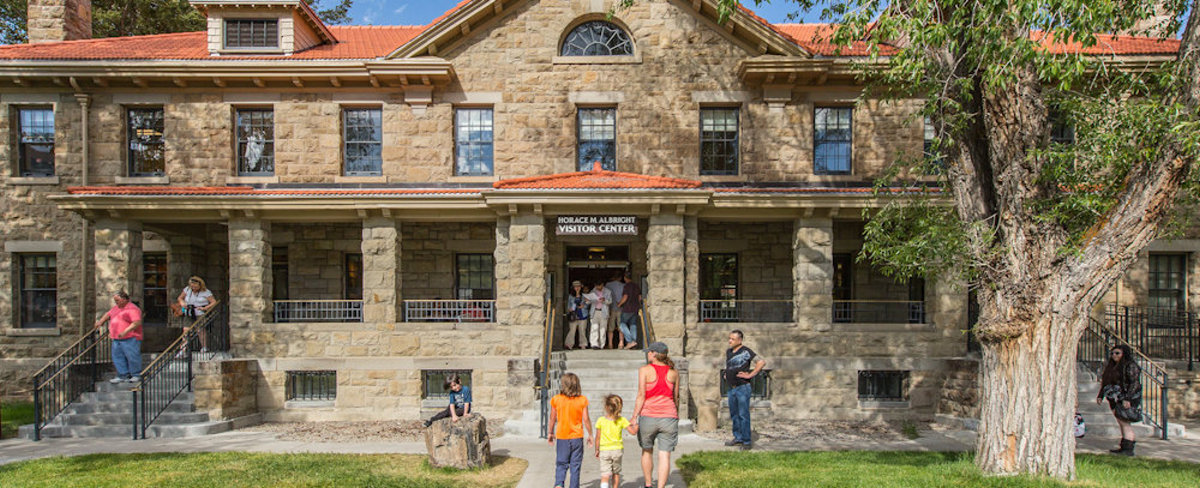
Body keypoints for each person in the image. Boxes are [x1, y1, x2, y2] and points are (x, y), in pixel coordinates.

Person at [633, 342, 678, 488]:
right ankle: (661, 486)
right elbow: (676, 397)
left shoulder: (644, 370)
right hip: (669, 416)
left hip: (649, 415)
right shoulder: (673, 372)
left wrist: (634, 416)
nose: (647, 354)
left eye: (649, 352)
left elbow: (641, 395)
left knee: (647, 450)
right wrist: (673, 412)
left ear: (653, 353)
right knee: (665, 454)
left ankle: (648, 484)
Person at [548, 372, 592, 488]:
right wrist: (590, 434)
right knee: (575, 467)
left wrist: (550, 432)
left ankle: (558, 484)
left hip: (562, 437)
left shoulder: (556, 399)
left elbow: (552, 418)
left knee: (561, 464)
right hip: (577, 437)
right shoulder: (582, 400)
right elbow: (586, 419)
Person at [1097, 344, 1142, 456]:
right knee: (1121, 422)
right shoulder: (1112, 366)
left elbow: (1134, 383)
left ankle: (1128, 448)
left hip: (1126, 398)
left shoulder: (1130, 366)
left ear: (1124, 354)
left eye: (1117, 353)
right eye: (1112, 353)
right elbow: (1106, 382)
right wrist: (1101, 395)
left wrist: (1128, 398)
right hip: (1114, 397)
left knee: (1125, 422)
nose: (1114, 356)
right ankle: (1124, 446)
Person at [725, 329, 765, 449]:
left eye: (732, 339)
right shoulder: (729, 352)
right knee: (734, 414)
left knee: (743, 414)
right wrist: (726, 374)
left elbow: (761, 362)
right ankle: (738, 437)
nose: (730, 341)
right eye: (729, 338)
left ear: (740, 340)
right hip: (731, 388)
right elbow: (731, 365)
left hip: (742, 388)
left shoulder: (746, 351)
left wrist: (750, 374)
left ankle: (746, 441)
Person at [95, 291, 144, 383]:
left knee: (132, 356)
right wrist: (100, 322)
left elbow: (136, 322)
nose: (116, 302)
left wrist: (125, 331)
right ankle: (122, 375)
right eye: (115, 300)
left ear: (125, 299)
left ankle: (136, 374)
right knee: (117, 357)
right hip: (116, 338)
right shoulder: (116, 308)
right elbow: (108, 314)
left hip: (130, 337)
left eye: (117, 300)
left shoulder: (132, 309)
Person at [595, 394, 638, 488]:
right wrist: (636, 424)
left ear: (606, 407)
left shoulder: (600, 420)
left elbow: (597, 437)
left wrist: (597, 450)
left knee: (605, 475)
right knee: (616, 472)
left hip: (604, 450)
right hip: (617, 450)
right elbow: (633, 432)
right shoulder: (622, 420)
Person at [176, 275, 217, 353]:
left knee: (200, 330)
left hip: (199, 312)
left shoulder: (206, 292)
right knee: (186, 330)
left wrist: (205, 308)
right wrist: (182, 303)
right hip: (189, 312)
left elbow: (213, 302)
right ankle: (183, 349)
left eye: (195, 287)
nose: (193, 288)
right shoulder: (187, 290)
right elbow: (180, 298)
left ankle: (204, 347)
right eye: (192, 286)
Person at [584, 280, 613, 349]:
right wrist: (587, 300)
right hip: (594, 311)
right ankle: (594, 344)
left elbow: (610, 301)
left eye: (599, 286)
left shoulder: (608, 291)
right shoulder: (593, 291)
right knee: (594, 328)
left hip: (604, 312)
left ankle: (601, 344)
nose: (598, 287)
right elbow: (588, 302)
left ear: (602, 285)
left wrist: (604, 300)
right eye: (596, 286)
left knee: (603, 329)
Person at [617, 274, 641, 350]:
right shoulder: (636, 286)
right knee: (633, 325)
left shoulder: (627, 286)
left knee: (622, 324)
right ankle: (634, 342)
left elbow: (625, 297)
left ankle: (630, 341)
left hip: (627, 308)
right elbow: (639, 297)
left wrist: (619, 304)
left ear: (625, 278)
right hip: (635, 308)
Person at [604, 272, 625, 349]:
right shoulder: (623, 285)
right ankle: (621, 343)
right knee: (621, 326)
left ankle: (610, 344)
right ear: (620, 278)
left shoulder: (608, 285)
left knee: (610, 327)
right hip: (621, 308)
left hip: (611, 308)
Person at [565, 281, 589, 350]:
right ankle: (569, 344)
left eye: (578, 286)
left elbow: (588, 304)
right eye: (575, 287)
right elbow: (568, 306)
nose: (577, 288)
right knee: (572, 330)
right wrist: (569, 309)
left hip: (582, 314)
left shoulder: (584, 296)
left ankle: (583, 344)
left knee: (582, 330)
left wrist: (583, 306)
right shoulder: (571, 296)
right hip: (573, 315)